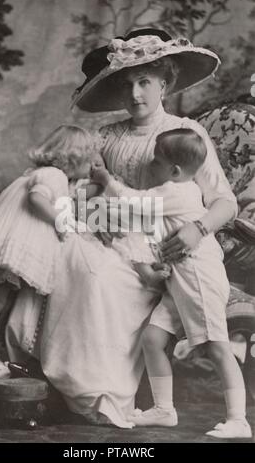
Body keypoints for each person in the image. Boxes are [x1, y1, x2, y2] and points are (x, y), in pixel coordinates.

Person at [6, 29, 240, 436]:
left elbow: (225, 202)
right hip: (105, 233)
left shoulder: (185, 135)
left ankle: (93, 394)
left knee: (95, 280)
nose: (135, 94)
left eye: (145, 81)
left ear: (164, 82)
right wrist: (78, 210)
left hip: (155, 252)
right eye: (127, 84)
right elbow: (86, 193)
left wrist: (197, 229)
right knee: (60, 256)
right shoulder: (107, 137)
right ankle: (34, 377)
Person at [91, 127, 252, 439]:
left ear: (175, 171)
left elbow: (133, 201)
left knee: (216, 347)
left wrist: (106, 181)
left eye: (157, 161)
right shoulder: (174, 191)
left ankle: (238, 419)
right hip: (180, 281)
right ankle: (164, 409)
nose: (151, 165)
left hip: (199, 280)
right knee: (152, 340)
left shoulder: (175, 193)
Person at [0, 125, 95, 378]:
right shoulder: (54, 176)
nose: (90, 169)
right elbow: (37, 200)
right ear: (75, 158)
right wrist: (61, 222)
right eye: (89, 163)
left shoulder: (41, 172)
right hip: (12, 246)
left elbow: (68, 196)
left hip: (10, 244)